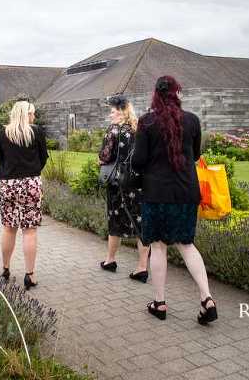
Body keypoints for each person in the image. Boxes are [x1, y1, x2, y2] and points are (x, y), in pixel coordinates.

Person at [131, 75, 218, 325]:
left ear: (156, 95)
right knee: (187, 245)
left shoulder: (147, 122)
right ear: (176, 94)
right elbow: (195, 155)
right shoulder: (192, 120)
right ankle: (206, 298)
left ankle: (159, 303)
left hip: (156, 194)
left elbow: (137, 161)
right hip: (186, 193)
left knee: (158, 246)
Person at [0, 100, 48, 290]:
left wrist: (10, 173)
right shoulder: (37, 132)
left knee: (9, 228)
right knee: (30, 230)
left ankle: (6, 270)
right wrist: (32, 172)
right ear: (26, 114)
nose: (34, 116)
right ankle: (29, 275)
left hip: (8, 184)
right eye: (32, 113)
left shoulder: (3, 133)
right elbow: (44, 158)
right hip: (31, 183)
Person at [98, 95, 150, 282]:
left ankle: (110, 260)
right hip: (137, 183)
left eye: (112, 111)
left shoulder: (113, 130)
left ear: (120, 112)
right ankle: (142, 268)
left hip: (116, 183)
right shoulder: (138, 129)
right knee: (140, 223)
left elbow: (104, 156)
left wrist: (101, 159)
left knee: (115, 221)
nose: (110, 114)